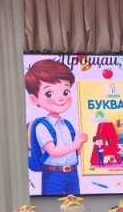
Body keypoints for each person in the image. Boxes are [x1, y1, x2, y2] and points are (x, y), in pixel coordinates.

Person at [26, 58, 84, 196]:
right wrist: (75, 145)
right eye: (49, 94)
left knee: (77, 203)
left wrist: (81, 144)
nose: (61, 98)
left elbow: (77, 153)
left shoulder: (68, 124)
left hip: (73, 172)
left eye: (65, 92)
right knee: (51, 203)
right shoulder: (42, 126)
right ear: (34, 100)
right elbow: (53, 151)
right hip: (53, 174)